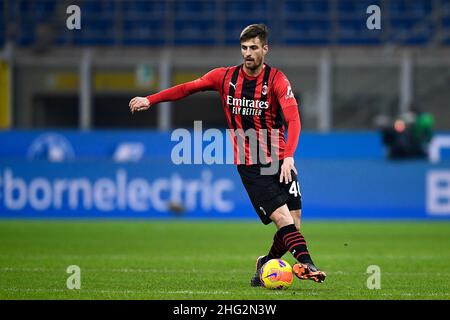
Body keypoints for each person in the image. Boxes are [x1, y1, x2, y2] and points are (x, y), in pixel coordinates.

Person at [129, 24, 326, 285]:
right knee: (282, 218)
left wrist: (289, 155)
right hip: (251, 163)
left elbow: (294, 121)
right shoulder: (224, 77)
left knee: (295, 223)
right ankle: (307, 264)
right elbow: (187, 88)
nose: (248, 53)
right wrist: (151, 100)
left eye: (253, 48)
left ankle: (264, 265)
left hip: (280, 159)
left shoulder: (277, 80)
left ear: (265, 49)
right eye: (244, 48)